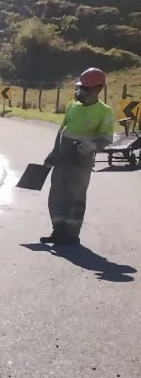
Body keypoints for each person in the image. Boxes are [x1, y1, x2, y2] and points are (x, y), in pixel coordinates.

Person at [41, 68, 116, 246]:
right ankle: (57, 230)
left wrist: (94, 145)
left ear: (98, 89)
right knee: (57, 193)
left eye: (85, 89)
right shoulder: (72, 106)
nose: (80, 92)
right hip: (63, 155)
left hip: (82, 158)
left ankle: (72, 234)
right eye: (80, 87)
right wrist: (53, 152)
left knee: (76, 195)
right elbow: (62, 130)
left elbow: (106, 138)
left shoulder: (105, 112)